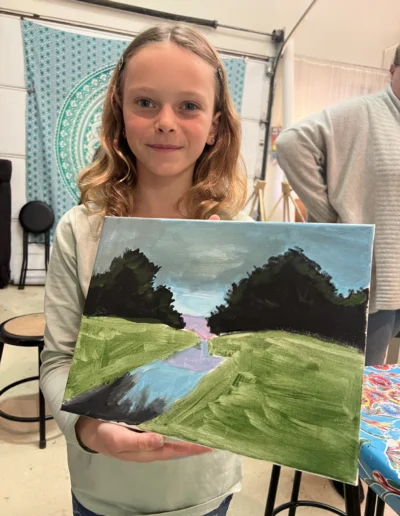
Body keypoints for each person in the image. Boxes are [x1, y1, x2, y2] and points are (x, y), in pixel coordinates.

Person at [41, 25, 251, 516]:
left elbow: (247, 366)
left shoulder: (241, 235)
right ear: (119, 112)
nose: (166, 122)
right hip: (102, 488)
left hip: (203, 489)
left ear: (216, 125)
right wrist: (92, 431)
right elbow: (58, 361)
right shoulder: (80, 230)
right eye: (145, 103)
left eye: (189, 106)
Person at [276, 45, 400, 503]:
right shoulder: (362, 113)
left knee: (389, 394)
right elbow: (290, 143)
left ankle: (379, 461)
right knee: (357, 388)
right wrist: (330, 217)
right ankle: (346, 465)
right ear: (392, 68)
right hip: (373, 275)